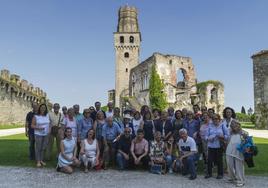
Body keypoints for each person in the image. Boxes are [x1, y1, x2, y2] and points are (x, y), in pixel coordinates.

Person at [205, 114, 229, 179]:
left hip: (219, 145)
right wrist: (208, 138)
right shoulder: (209, 126)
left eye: (216, 119)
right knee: (209, 160)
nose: (215, 120)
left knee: (219, 160)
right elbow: (206, 136)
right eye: (213, 119)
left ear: (219, 119)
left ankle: (220, 174)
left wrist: (222, 136)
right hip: (211, 145)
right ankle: (209, 173)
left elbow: (228, 135)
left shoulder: (222, 125)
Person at [226, 120, 246, 187]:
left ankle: (241, 180)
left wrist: (244, 137)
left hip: (239, 151)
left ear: (238, 125)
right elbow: (228, 140)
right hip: (229, 150)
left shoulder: (243, 132)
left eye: (235, 124)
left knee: (239, 166)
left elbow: (246, 141)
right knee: (229, 164)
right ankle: (232, 177)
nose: (233, 125)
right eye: (232, 124)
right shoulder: (230, 132)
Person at [31, 103, 50, 167]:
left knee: (43, 148)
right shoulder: (36, 116)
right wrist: (39, 128)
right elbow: (32, 125)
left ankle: (41, 160)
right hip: (38, 134)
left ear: (46, 109)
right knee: (38, 148)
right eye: (42, 107)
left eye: (44, 108)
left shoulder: (47, 115)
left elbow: (49, 124)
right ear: (39, 108)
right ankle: (38, 161)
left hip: (46, 134)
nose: (43, 109)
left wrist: (49, 130)